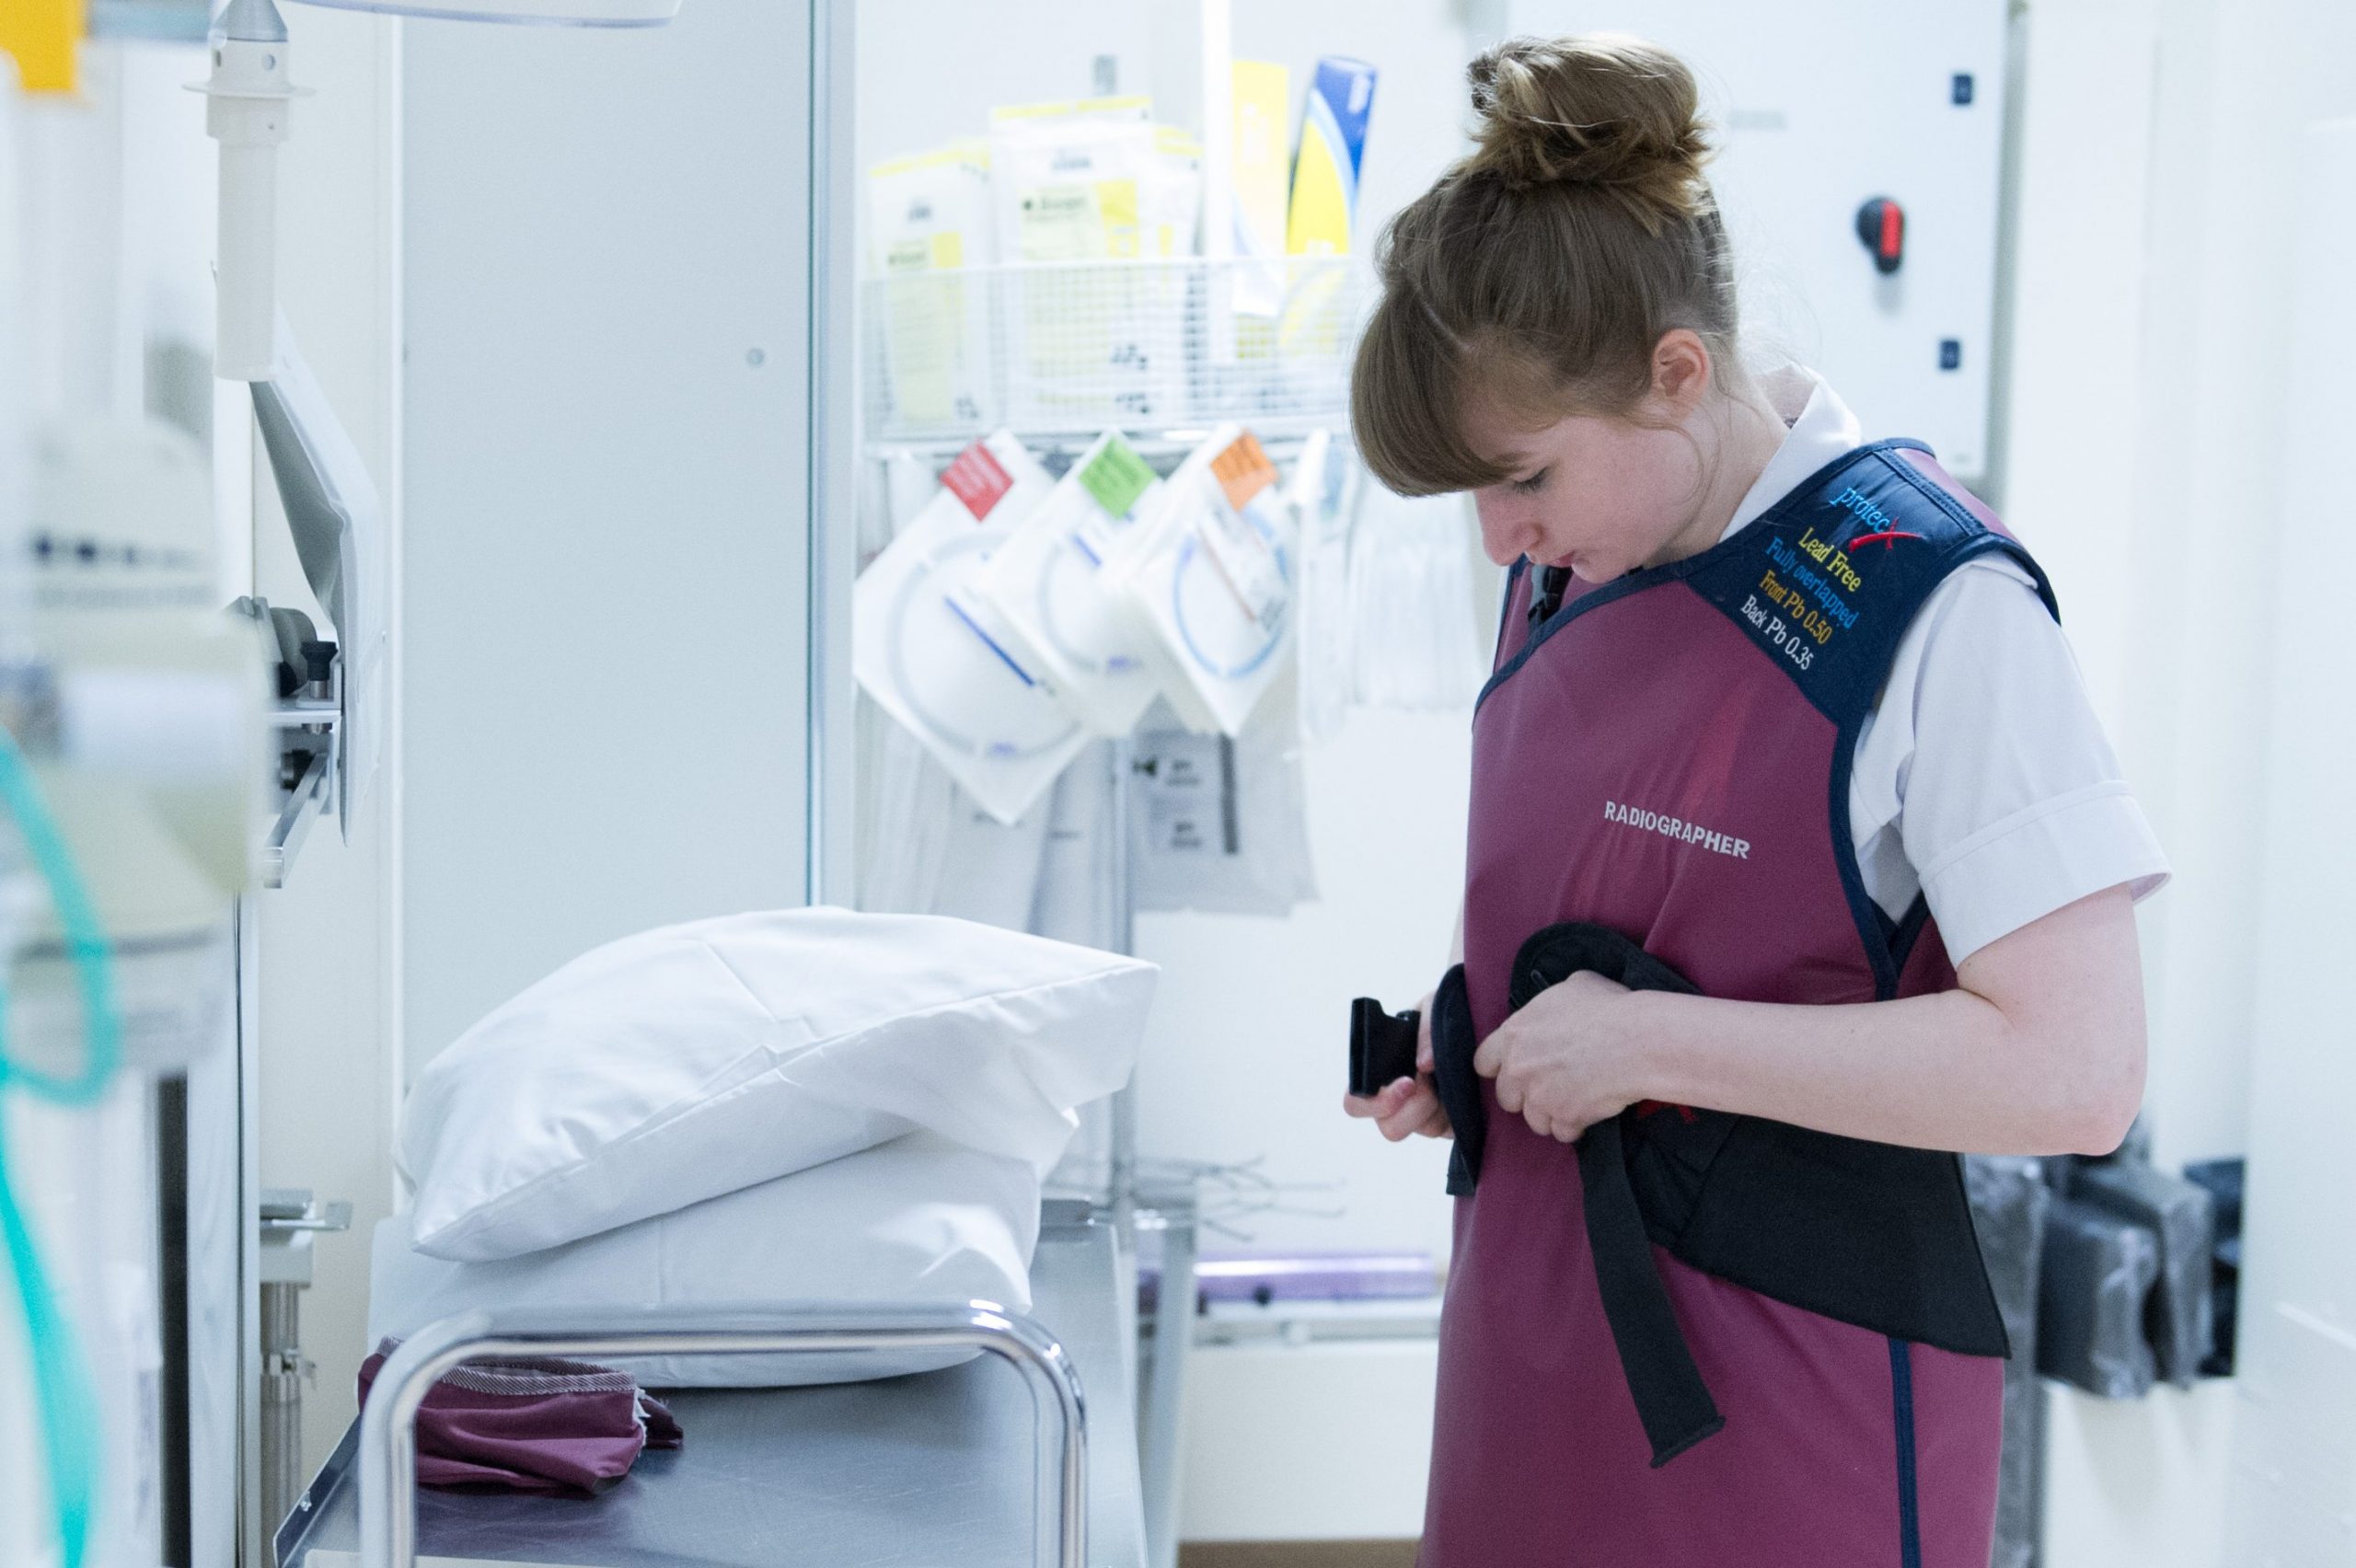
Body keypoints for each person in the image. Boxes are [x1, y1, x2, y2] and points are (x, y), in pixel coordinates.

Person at [1339, 33, 2170, 1568]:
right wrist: (1492, 1047)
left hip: (1793, 1409)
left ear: (1678, 373)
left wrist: (1643, 1043)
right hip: (1536, 1355)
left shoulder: (1933, 603)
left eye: (1519, 476)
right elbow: (1658, 920)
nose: (1495, 536)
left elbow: (2078, 1071)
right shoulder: (1567, 565)